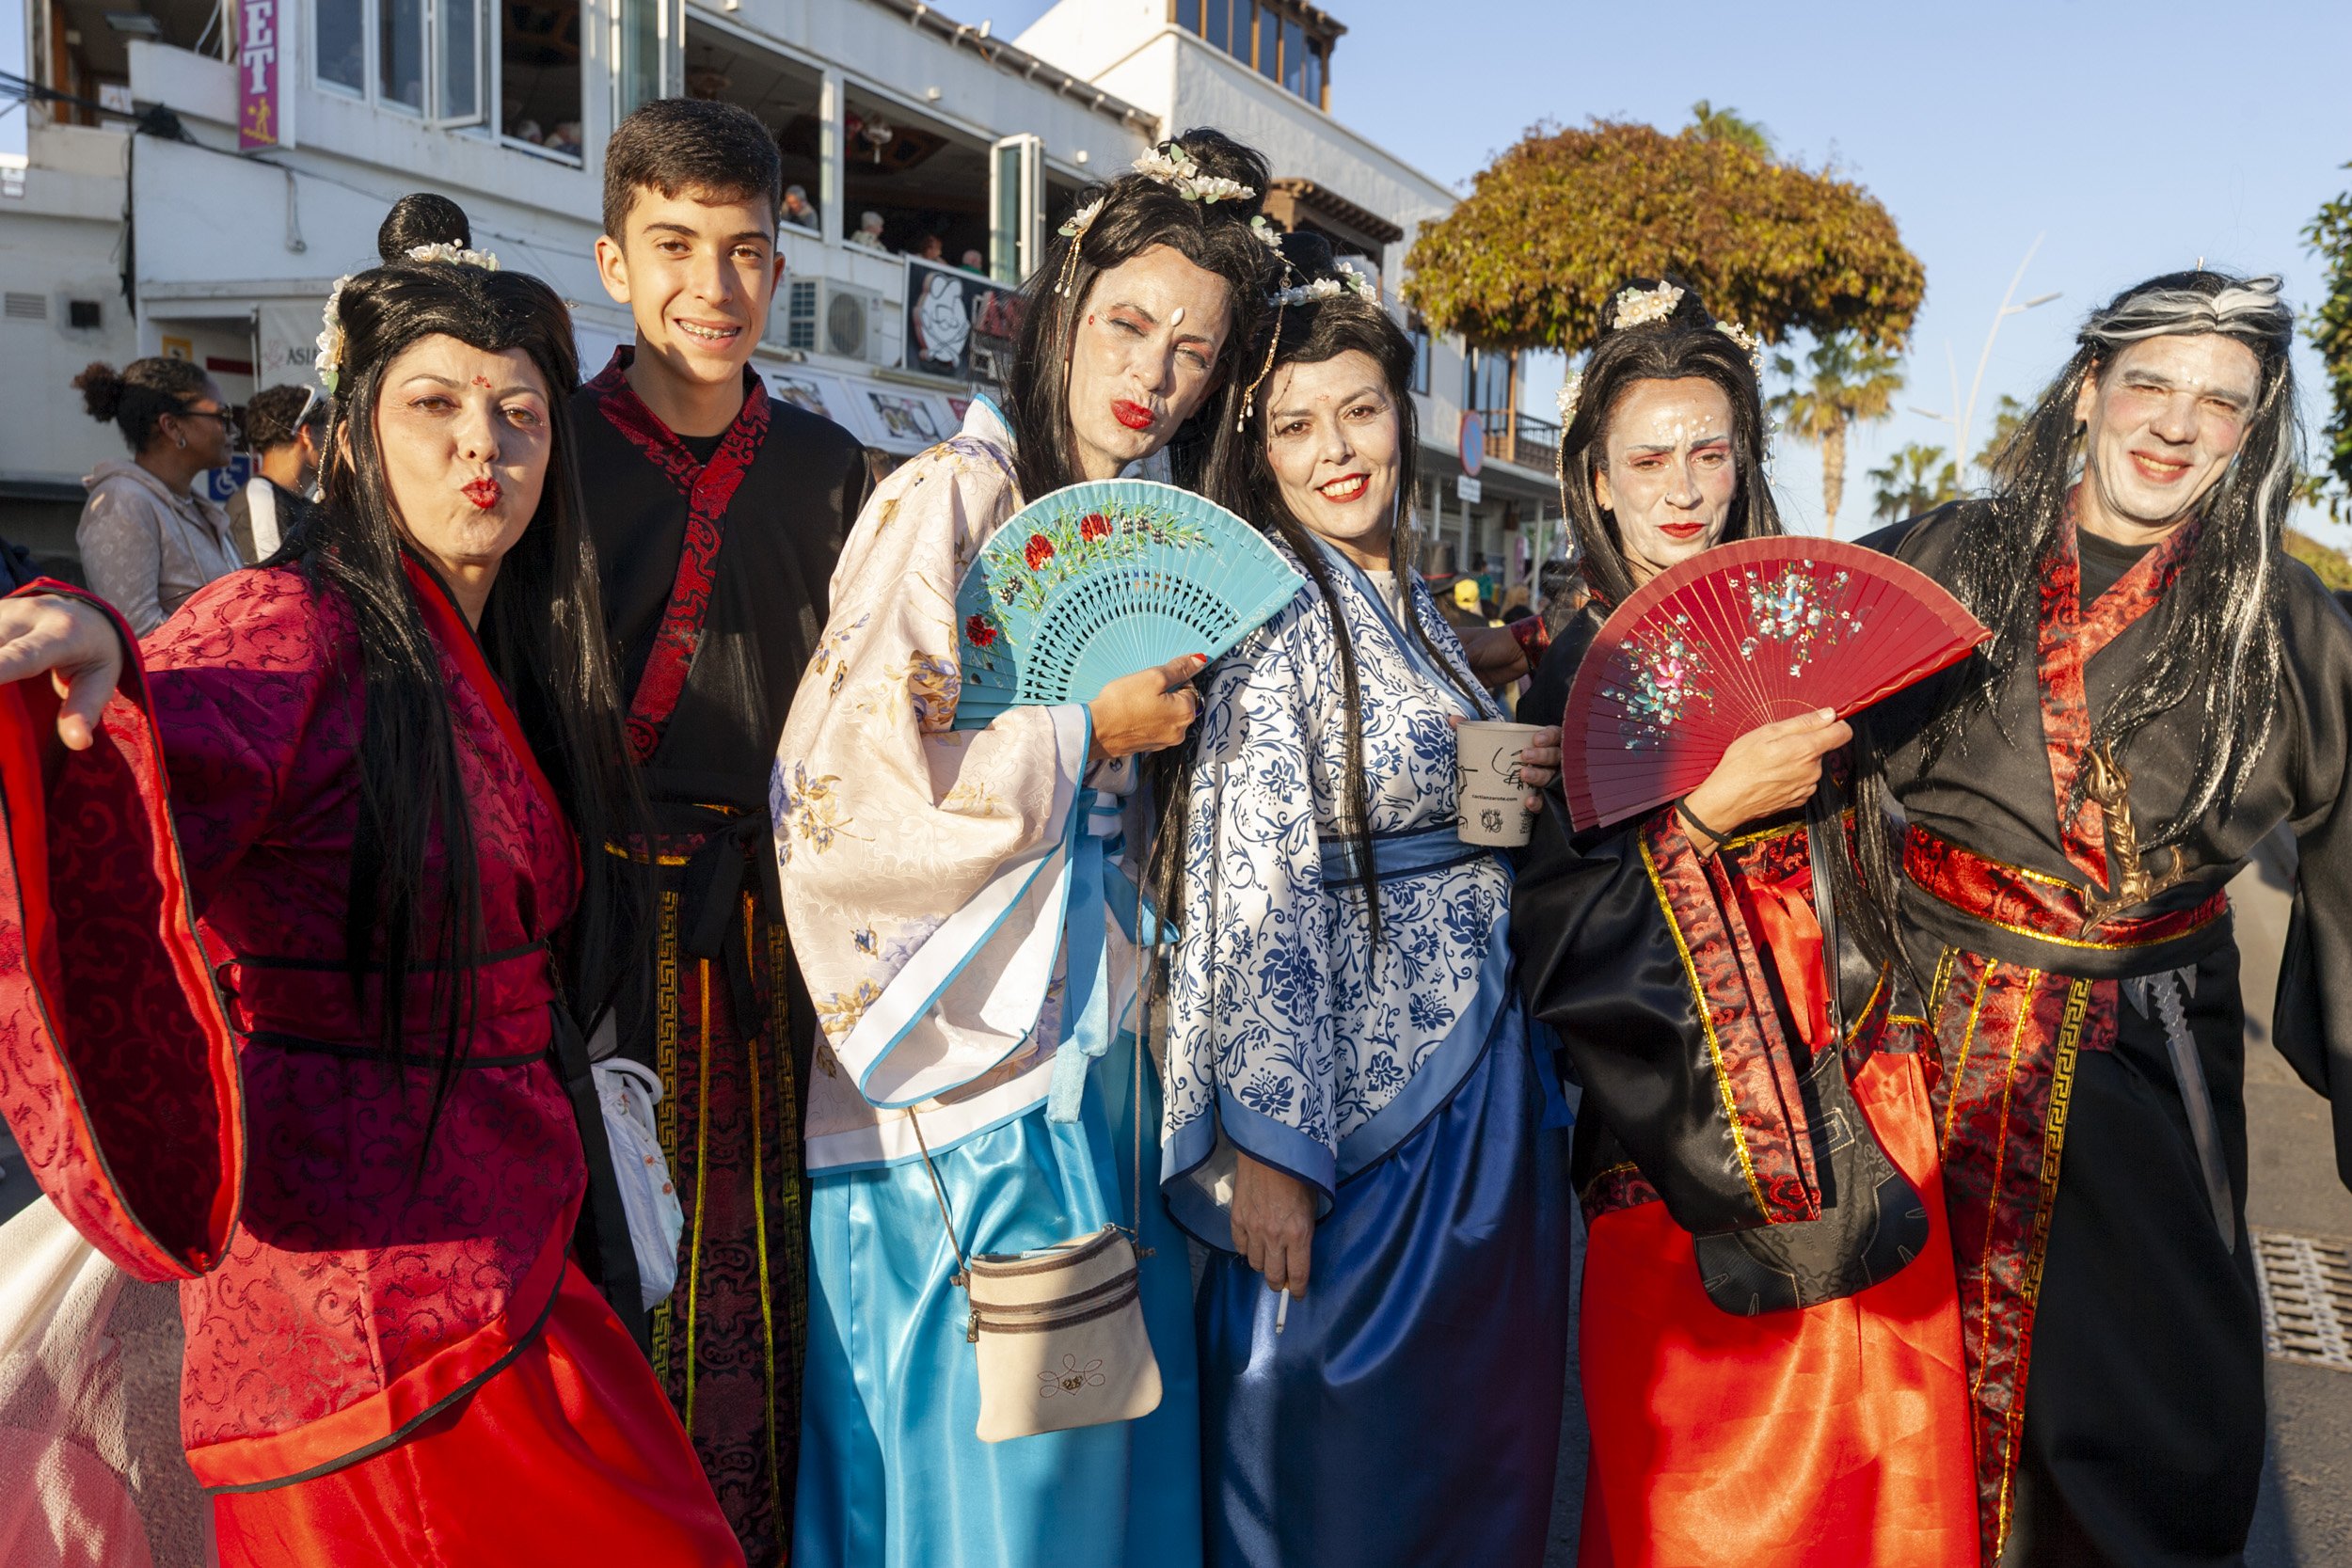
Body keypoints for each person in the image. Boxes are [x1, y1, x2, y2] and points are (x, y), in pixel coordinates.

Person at [0, 196, 738, 1566]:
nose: (483, 445)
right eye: (435, 404)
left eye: (521, 413)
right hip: (363, 1297)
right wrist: (88, 673)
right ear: (349, 434)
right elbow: (169, 744)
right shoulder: (289, 621)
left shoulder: (500, 646)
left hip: (502, 1236)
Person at [773, 130, 1279, 1568]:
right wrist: (1084, 731)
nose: (1154, 371)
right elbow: (843, 787)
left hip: (1101, 1038)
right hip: (956, 1049)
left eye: (1195, 346)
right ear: (1064, 306)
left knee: (1100, 1400)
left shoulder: (1168, 524)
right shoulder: (947, 495)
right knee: (991, 1450)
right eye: (1129, 321)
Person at [1844, 270, 2352, 1567]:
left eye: (2220, 403)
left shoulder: (2290, 623)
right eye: (2152, 383)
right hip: (1925, 1042)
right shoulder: (1933, 557)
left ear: (2253, 431)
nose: (2176, 424)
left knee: (2148, 1431)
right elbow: (1803, 791)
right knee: (1885, 1424)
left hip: (2150, 1059)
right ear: (2088, 391)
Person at [1511, 279, 1977, 1568]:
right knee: (1703, 1496)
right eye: (1647, 457)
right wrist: (1708, 817)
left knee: (1887, 1476)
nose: (1681, 485)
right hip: (1680, 1133)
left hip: (1865, 1097)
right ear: (1595, 480)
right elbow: (1551, 935)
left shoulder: (1804, 619)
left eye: (1708, 450)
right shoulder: (1581, 666)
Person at [1157, 233, 1572, 1567]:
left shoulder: (1426, 612)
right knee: (1331, 1438)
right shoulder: (1273, 614)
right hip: (1357, 1122)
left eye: (1359, 409)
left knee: (1474, 1449)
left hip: (1482, 1097)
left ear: (1405, 416)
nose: (1337, 448)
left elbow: (1474, 831)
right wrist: (1271, 1148)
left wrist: (1537, 752)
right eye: (1294, 424)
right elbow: (1250, 877)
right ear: (1256, 451)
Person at [577, 98, 869, 1567]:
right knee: (617, 1269)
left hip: (782, 938)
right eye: (674, 245)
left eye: (745, 249)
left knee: (781, 1271)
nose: (713, 285)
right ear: (613, 260)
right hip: (587, 933)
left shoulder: (835, 472)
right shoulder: (543, 444)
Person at [71, 356, 241, 634]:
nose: (234, 430)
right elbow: (138, 633)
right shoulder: (123, 501)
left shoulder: (196, 505)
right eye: (222, 416)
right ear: (172, 426)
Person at [225, 382, 326, 562]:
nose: (332, 444)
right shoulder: (261, 500)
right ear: (307, 435)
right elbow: (271, 586)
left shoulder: (299, 505)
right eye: (326, 433)